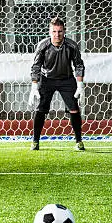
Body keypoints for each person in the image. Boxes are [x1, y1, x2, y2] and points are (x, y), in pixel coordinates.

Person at [28, 17, 85, 151]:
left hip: (67, 79)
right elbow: (36, 66)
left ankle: (79, 141)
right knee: (41, 109)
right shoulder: (43, 45)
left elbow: (78, 65)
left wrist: (80, 85)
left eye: (59, 31)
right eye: (54, 31)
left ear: (64, 31)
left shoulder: (71, 45)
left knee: (74, 109)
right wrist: (34, 86)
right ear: (49, 32)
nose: (57, 34)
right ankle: (35, 141)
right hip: (47, 80)